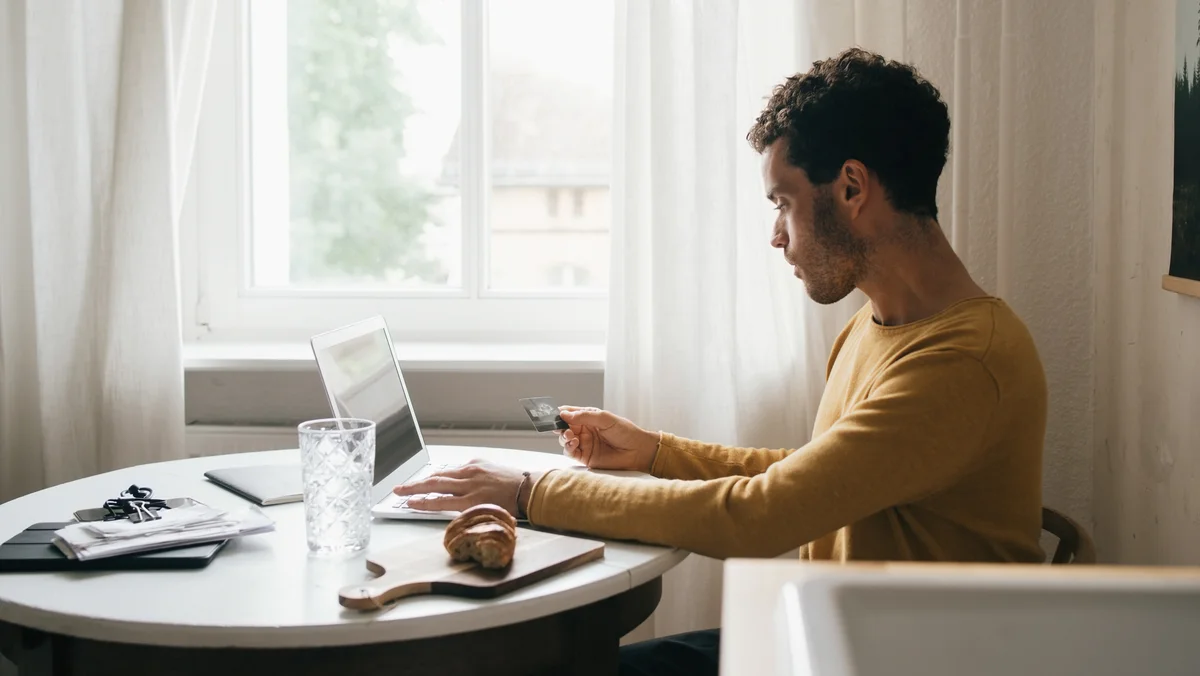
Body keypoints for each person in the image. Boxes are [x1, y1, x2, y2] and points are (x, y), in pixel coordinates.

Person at [392, 47, 1047, 676]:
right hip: (832, 641)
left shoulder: (962, 363)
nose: (776, 234)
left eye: (783, 202)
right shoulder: (872, 329)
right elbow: (815, 475)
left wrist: (532, 492)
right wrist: (654, 452)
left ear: (851, 187)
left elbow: (762, 515)